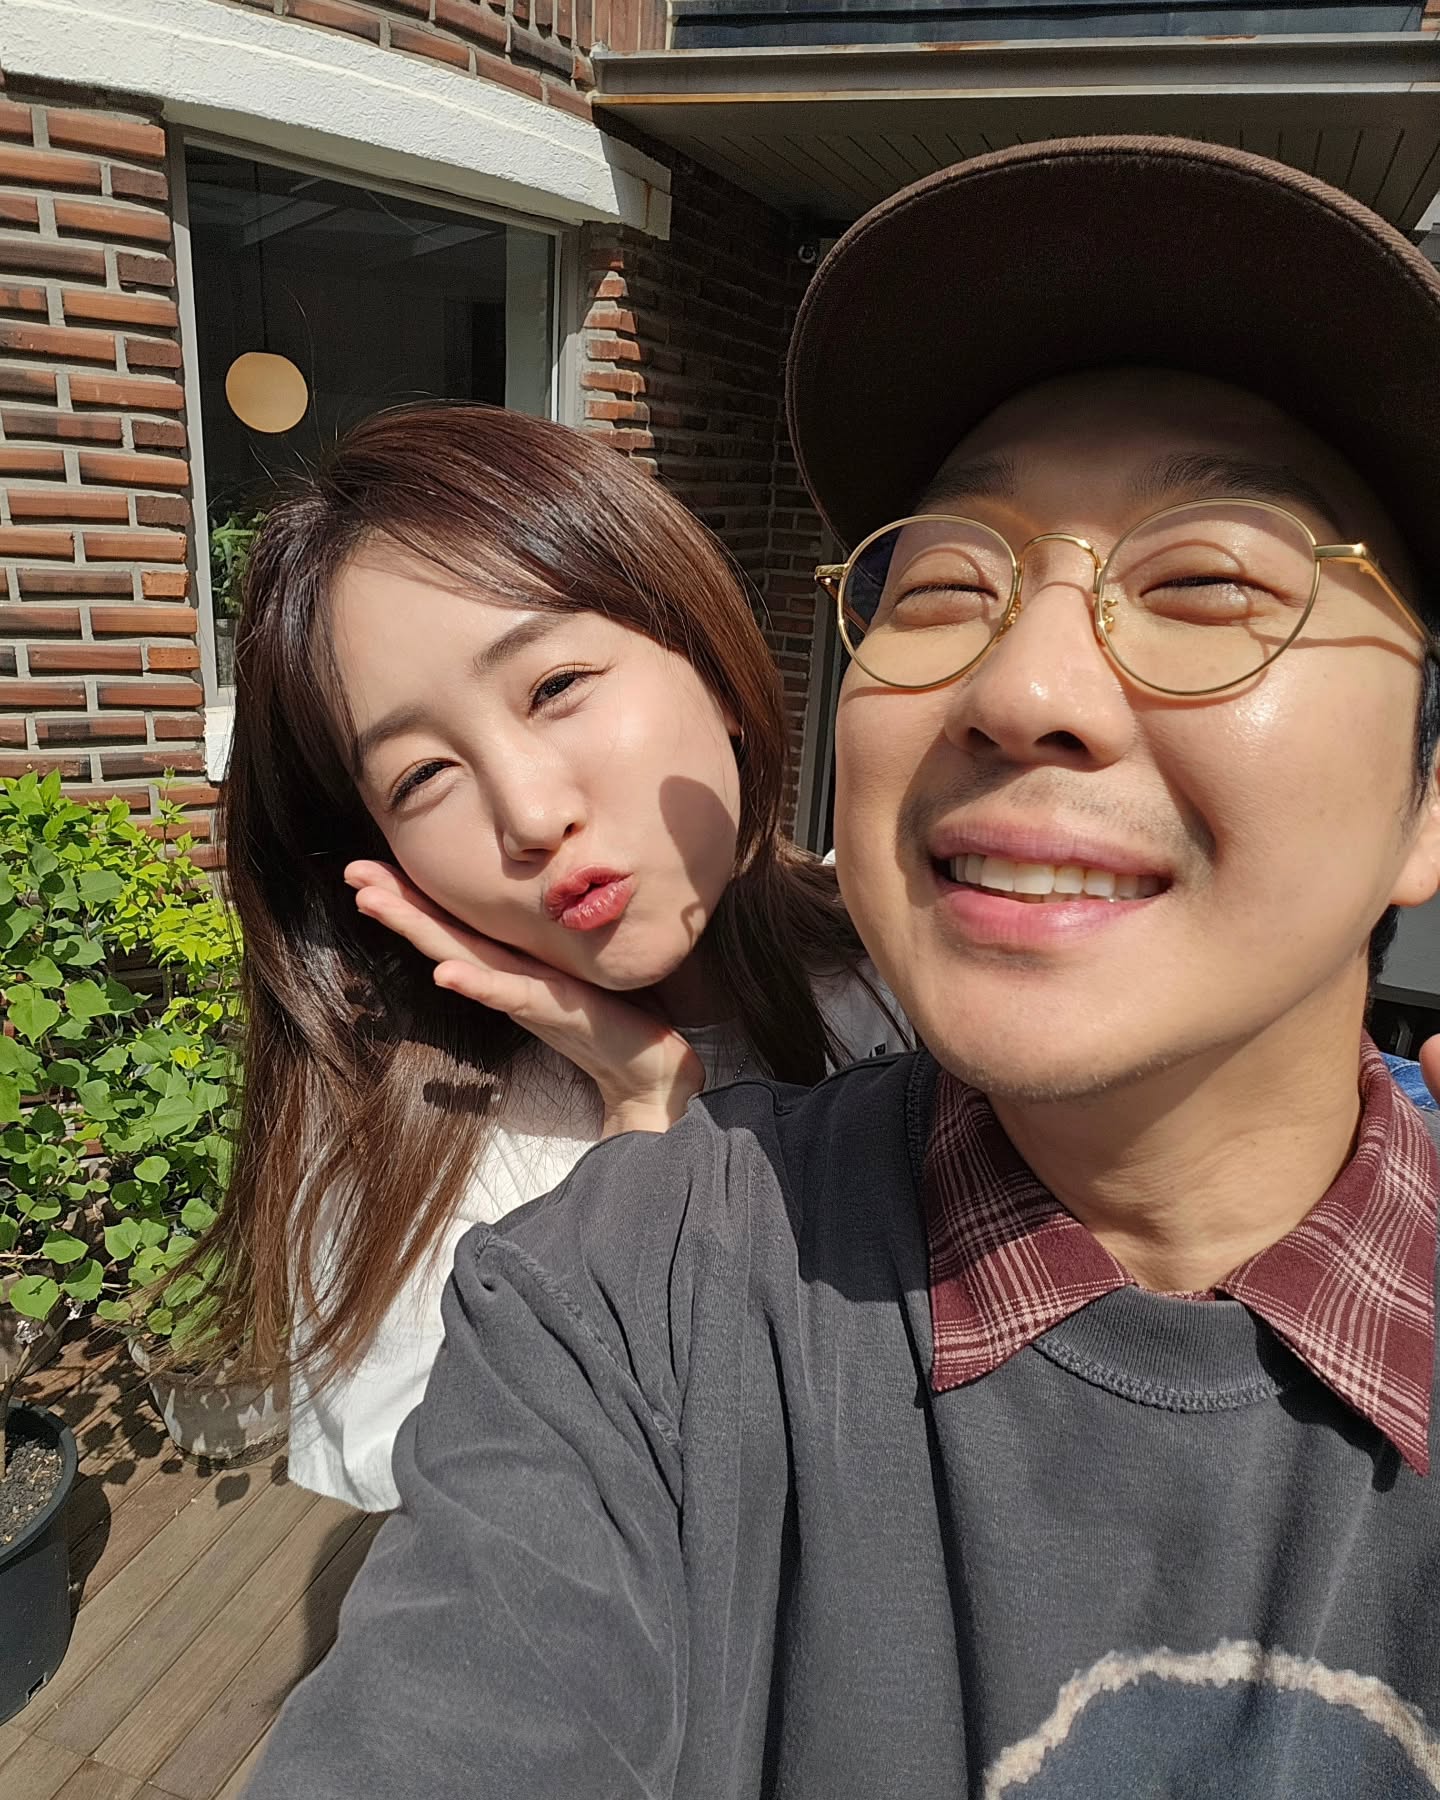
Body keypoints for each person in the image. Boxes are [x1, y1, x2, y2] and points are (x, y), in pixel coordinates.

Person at [246, 139, 1440, 1796]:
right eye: (947, 585)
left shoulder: (881, 952)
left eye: (1208, 581)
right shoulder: (585, 1266)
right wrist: (652, 1132)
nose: (1025, 688)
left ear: (721, 657)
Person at [201, 404, 906, 1512]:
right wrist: (645, 1122)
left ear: (717, 670)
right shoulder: (409, 1139)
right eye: (422, 777)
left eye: (555, 687)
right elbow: (513, 1511)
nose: (530, 815)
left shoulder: (907, 978)